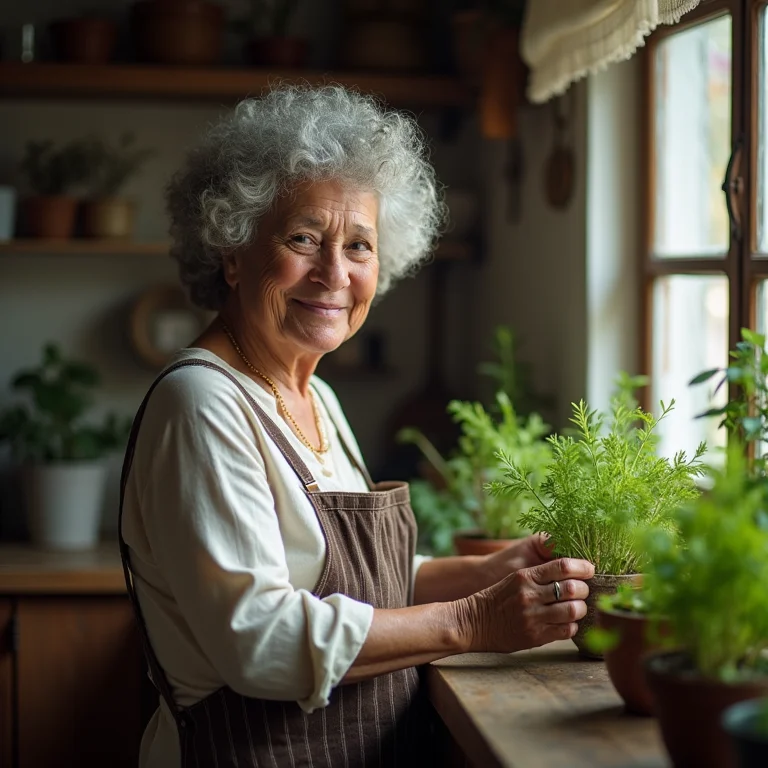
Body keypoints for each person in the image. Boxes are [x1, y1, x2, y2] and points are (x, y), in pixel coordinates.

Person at [119, 84, 594, 768]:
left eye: (360, 245)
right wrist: (472, 621)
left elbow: (345, 583)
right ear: (232, 251)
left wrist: (484, 571)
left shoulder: (316, 396)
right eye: (303, 238)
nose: (335, 274)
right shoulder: (202, 404)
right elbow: (260, 640)